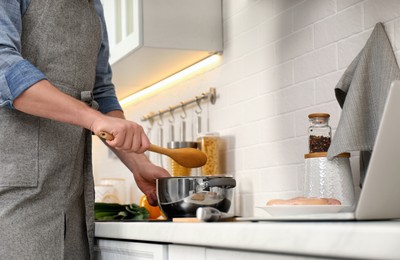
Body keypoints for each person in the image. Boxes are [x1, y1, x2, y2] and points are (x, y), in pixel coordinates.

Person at [0, 0, 170, 259]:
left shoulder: (94, 7)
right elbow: (3, 64)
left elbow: (100, 91)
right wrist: (92, 119)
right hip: (14, 193)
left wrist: (138, 164)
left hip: (73, 195)